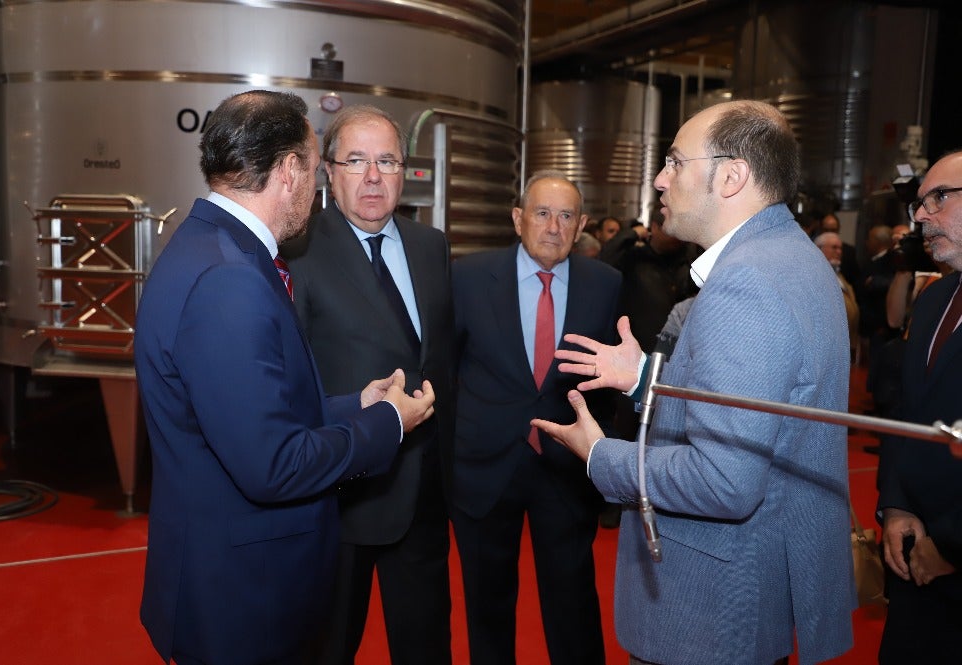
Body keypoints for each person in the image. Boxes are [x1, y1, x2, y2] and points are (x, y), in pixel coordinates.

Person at [533, 100, 855, 665]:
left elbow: (724, 481)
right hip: (743, 594)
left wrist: (600, 455)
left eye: (675, 162)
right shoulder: (793, 258)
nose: (660, 179)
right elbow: (759, 400)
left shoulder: (746, 283)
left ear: (732, 176)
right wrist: (644, 380)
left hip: (708, 613)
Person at [133, 90, 435, 665]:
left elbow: (247, 413)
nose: (320, 185)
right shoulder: (232, 280)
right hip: (244, 596)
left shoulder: (206, 247)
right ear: (291, 168)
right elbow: (273, 465)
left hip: (221, 575)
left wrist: (355, 406)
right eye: (318, 162)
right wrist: (389, 423)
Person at [286, 104, 454, 665]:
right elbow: (291, 378)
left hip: (423, 495)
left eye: (387, 160)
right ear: (328, 173)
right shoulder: (298, 252)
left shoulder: (432, 247)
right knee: (330, 648)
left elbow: (440, 357)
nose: (374, 176)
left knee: (426, 645)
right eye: (356, 160)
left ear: (406, 171)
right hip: (342, 497)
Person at [452, 171, 621, 665]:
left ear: (582, 223)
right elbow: (447, 365)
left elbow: (610, 379)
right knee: (487, 604)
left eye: (566, 215)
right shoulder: (467, 277)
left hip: (566, 467)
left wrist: (603, 451)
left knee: (572, 603)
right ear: (517, 219)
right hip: (485, 467)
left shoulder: (605, 283)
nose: (553, 226)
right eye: (542, 213)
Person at [876, 149, 962, 664]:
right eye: (920, 202)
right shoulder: (933, 299)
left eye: (940, 198)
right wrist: (897, 502)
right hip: (913, 557)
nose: (921, 215)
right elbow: (906, 412)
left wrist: (953, 546)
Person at [815, 231, 861, 355]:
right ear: (819, 249)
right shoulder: (813, 276)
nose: (839, 252)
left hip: (844, 345)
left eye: (840, 248)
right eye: (834, 247)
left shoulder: (840, 275)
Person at [819, 212, 861, 288]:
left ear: (838, 230)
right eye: (826, 230)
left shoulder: (849, 251)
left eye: (833, 230)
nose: (830, 233)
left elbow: (855, 280)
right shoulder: (812, 250)